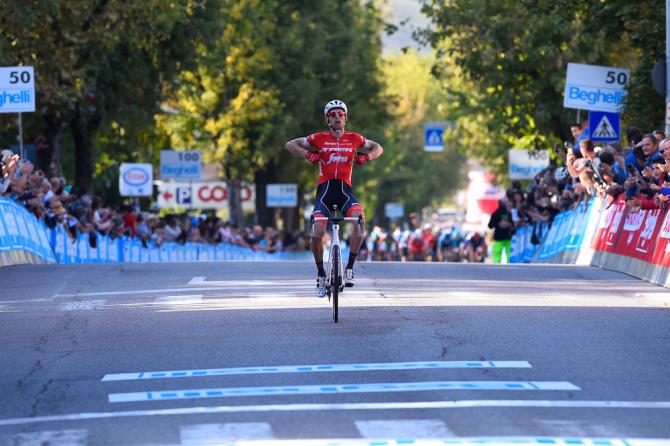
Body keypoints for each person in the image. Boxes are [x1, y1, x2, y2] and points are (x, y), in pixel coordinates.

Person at [284, 99, 384, 297]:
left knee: (359, 220)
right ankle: (321, 274)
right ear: (327, 119)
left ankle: (349, 269)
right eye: (332, 114)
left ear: (346, 117)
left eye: (340, 114)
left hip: (345, 191)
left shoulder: (355, 138)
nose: (337, 117)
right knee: (317, 233)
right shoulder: (318, 138)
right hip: (325, 192)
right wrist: (307, 155)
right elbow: (290, 145)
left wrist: (368, 157)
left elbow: (377, 147)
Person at [487, 198, 515, 264]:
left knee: (497, 253)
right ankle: (508, 263)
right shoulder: (507, 213)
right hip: (506, 237)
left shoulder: (495, 213)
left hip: (499, 237)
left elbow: (490, 225)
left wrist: (497, 224)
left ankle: (496, 264)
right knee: (508, 252)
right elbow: (512, 224)